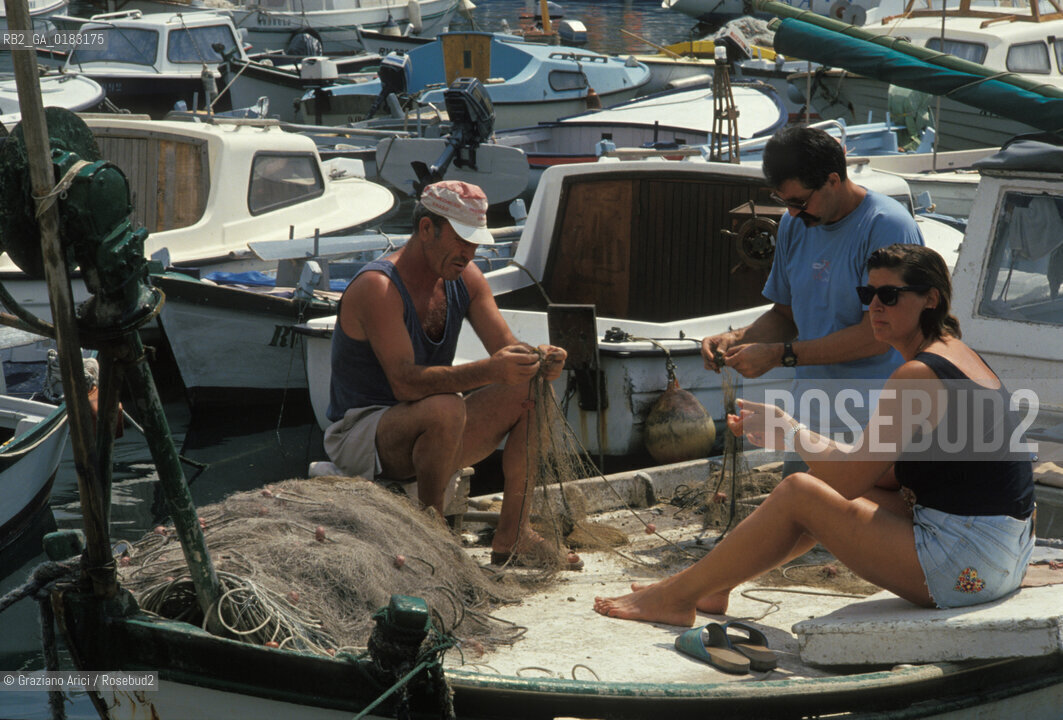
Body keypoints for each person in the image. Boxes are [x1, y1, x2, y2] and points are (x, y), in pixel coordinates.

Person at [594, 244, 1035, 624]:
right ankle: (709, 586)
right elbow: (880, 474)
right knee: (812, 485)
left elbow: (847, 484)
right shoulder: (952, 355)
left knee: (802, 492)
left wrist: (791, 431)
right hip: (1002, 553)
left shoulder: (917, 374)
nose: (874, 307)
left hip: (969, 564)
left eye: (889, 295)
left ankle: (674, 599)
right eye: (868, 294)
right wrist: (796, 436)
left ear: (930, 300)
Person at [324, 180, 568, 564]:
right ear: (426, 229)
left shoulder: (466, 278)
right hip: (361, 433)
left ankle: (513, 535)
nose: (469, 254)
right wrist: (491, 370)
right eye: (461, 241)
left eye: (474, 244)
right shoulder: (377, 286)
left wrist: (538, 361)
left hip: (430, 428)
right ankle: (434, 535)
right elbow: (404, 383)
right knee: (446, 407)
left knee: (533, 393)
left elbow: (505, 349)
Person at [702, 126, 925, 449]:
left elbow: (879, 336)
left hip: (875, 421)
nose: (792, 212)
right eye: (784, 201)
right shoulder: (795, 224)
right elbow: (786, 314)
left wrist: (781, 355)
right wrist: (735, 339)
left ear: (833, 180)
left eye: (800, 201)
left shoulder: (886, 226)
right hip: (808, 417)